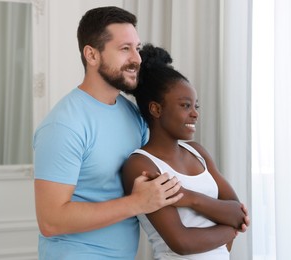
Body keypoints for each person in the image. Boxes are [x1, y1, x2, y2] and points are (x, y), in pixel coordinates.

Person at [33, 7, 183, 260]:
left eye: (137, 48)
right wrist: (136, 203)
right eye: (125, 49)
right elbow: (51, 221)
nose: (137, 58)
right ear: (91, 55)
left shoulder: (133, 114)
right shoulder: (63, 126)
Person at [122, 44, 250, 260]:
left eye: (195, 107)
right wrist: (230, 229)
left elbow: (238, 213)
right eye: (185, 106)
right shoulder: (141, 166)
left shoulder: (197, 152)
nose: (194, 114)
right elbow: (181, 242)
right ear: (156, 109)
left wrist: (190, 198)